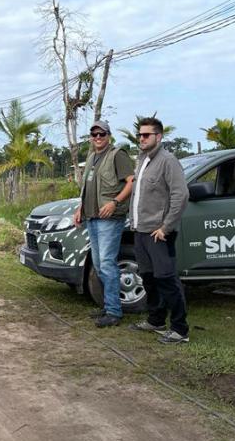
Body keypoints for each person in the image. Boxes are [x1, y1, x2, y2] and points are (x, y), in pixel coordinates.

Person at [127, 117, 191, 344]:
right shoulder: (143, 159)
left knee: (166, 279)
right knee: (147, 277)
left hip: (158, 233)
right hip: (140, 230)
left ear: (158, 136)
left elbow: (180, 195)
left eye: (146, 135)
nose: (141, 139)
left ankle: (180, 329)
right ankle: (156, 320)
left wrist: (166, 227)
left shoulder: (168, 161)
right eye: (140, 135)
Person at [72, 120, 135, 328]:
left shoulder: (118, 155)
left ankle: (114, 312)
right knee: (99, 265)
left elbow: (131, 183)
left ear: (109, 136)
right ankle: (109, 305)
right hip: (92, 217)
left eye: (102, 134)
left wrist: (115, 202)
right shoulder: (91, 157)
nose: (98, 138)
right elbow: (87, 187)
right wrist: (80, 207)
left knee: (107, 264)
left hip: (110, 219)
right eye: (94, 134)